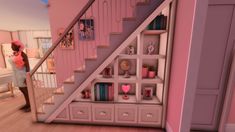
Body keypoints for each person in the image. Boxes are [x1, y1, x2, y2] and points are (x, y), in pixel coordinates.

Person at [9, 40, 31, 112]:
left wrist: (27, 76)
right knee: (21, 89)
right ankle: (27, 103)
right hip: (16, 74)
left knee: (26, 90)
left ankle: (31, 105)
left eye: (13, 46)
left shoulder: (23, 54)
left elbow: (27, 66)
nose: (11, 47)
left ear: (18, 46)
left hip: (22, 74)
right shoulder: (15, 54)